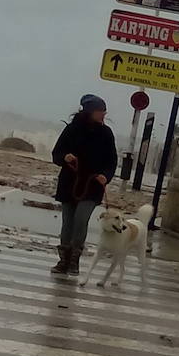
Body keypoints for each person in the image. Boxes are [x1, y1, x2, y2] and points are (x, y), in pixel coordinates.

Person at [51, 94, 117, 276]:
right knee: (67, 223)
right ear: (90, 111)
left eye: (104, 111)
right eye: (100, 111)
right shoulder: (72, 129)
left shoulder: (106, 133)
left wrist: (105, 175)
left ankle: (75, 260)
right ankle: (63, 260)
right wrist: (65, 157)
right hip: (69, 182)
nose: (103, 114)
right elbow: (56, 153)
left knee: (81, 220)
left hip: (92, 185)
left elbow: (112, 161)